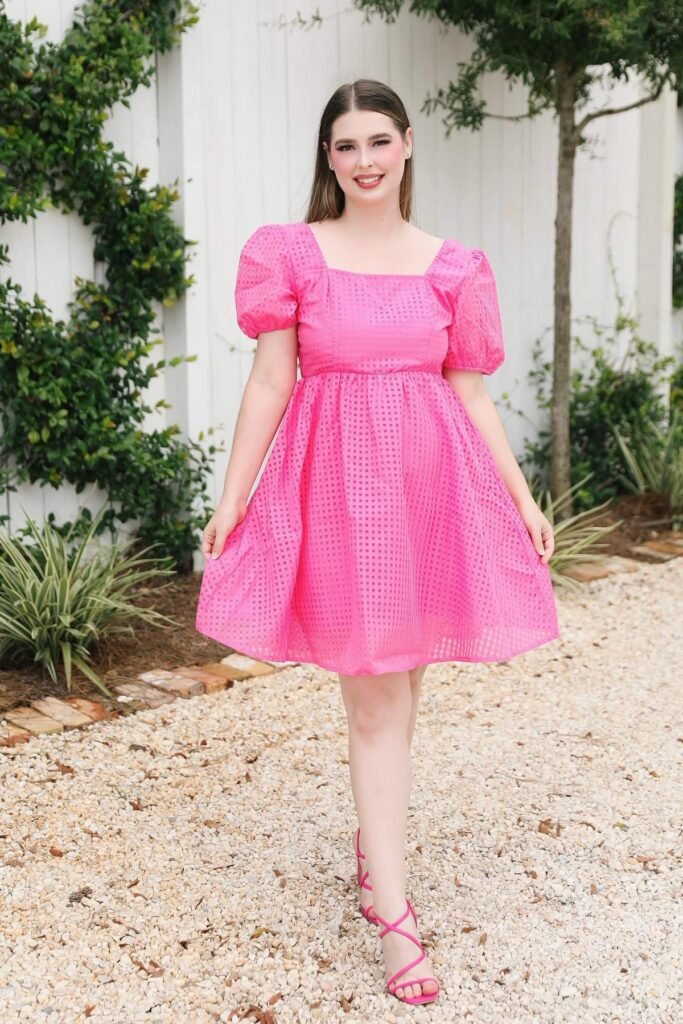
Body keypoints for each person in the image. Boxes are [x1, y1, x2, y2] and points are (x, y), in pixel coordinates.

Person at [195, 78, 560, 1007]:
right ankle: (394, 915)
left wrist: (521, 499)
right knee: (373, 700)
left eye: (377, 141)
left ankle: (375, 844)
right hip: (340, 497)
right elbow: (271, 382)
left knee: (403, 681)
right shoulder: (293, 254)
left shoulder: (452, 266)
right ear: (328, 157)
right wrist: (232, 500)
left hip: (432, 494)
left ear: (406, 144)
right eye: (345, 145)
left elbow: (469, 391)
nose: (363, 160)